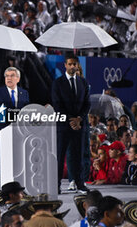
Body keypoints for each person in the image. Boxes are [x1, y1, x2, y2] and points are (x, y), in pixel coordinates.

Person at [52, 54, 90, 193]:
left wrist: (79, 118)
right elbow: (57, 104)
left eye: (75, 64)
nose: (73, 66)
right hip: (63, 125)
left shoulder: (83, 82)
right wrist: (71, 120)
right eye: (70, 64)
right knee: (60, 156)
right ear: (65, 65)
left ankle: (80, 183)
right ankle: (56, 184)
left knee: (78, 156)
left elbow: (87, 103)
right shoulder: (58, 83)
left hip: (79, 125)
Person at [0, 67, 29, 172]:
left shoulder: (24, 93)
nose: (9, 78)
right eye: (7, 76)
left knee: (19, 164)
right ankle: (3, 188)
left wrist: (5, 112)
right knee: (3, 165)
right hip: (3, 133)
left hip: (20, 134)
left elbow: (26, 113)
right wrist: (15, 114)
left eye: (12, 75)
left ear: (18, 79)